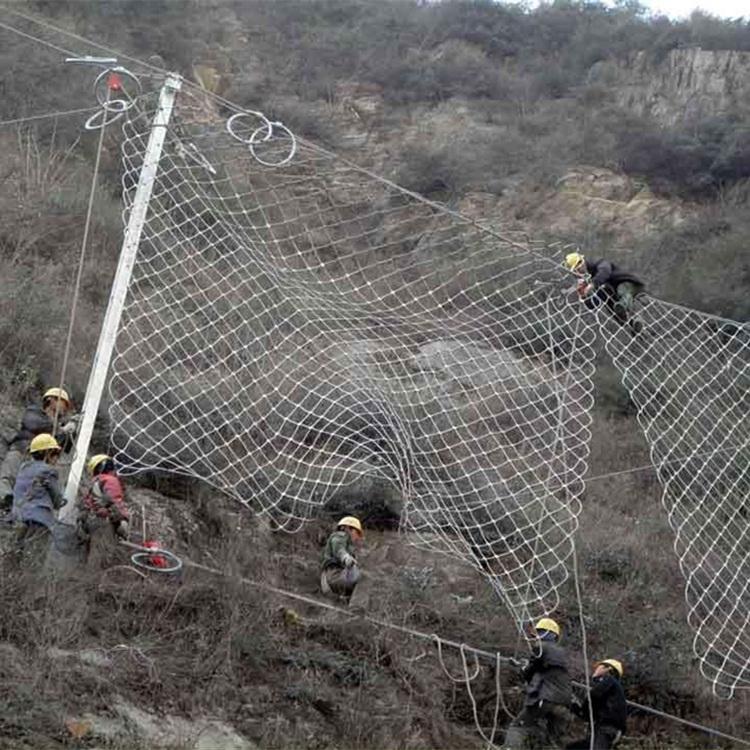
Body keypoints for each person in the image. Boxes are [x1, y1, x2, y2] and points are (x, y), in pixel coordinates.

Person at [0, 387, 78, 508]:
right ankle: (5, 502)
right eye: (62, 402)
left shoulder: (58, 425)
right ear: (51, 400)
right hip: (21, 450)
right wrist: (60, 429)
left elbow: (63, 448)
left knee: (28, 488)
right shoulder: (33, 412)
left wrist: (71, 431)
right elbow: (33, 424)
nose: (64, 407)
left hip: (36, 460)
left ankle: (15, 510)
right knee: (7, 479)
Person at [503, 618, 573, 749]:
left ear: (541, 633)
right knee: (552, 740)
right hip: (564, 703)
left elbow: (529, 673)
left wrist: (520, 668)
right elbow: (547, 670)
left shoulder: (540, 647)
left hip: (545, 699)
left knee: (518, 727)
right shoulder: (563, 653)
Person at [11, 433, 66, 560]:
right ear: (48, 453)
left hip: (19, 517)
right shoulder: (49, 471)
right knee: (34, 560)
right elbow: (57, 500)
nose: (56, 459)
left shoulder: (24, 468)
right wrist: (63, 501)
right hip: (39, 520)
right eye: (55, 455)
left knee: (16, 558)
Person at [564, 252, 644, 331]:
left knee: (622, 292)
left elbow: (605, 271)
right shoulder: (589, 280)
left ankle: (625, 309)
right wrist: (584, 295)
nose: (579, 273)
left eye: (578, 269)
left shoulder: (599, 263)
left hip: (628, 283)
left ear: (581, 262)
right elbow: (594, 304)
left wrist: (592, 284)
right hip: (615, 298)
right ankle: (634, 326)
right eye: (576, 272)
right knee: (618, 313)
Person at [78, 454, 129, 567]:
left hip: (89, 524)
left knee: (91, 559)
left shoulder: (92, 483)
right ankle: (94, 584)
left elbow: (84, 505)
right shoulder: (110, 480)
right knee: (102, 562)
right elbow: (115, 502)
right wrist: (123, 522)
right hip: (103, 523)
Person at [567, 659, 627, 750]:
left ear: (608, 669)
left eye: (599, 667)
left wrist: (583, 710)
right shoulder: (611, 691)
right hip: (607, 728)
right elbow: (592, 710)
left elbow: (594, 695)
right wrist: (577, 709)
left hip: (607, 728)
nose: (596, 670)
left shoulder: (610, 680)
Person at [320, 515, 363, 603]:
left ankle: (346, 598)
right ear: (348, 528)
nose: (358, 537)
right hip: (333, 576)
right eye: (357, 532)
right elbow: (339, 550)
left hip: (333, 579)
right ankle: (357, 605)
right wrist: (346, 558)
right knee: (364, 579)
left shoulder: (347, 544)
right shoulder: (340, 536)